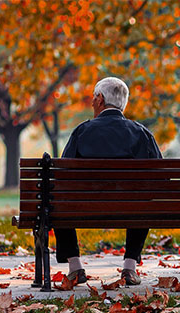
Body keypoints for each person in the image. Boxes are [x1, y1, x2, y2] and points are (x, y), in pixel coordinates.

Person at [54, 77, 162, 286]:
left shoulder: (82, 131)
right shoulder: (141, 133)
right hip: (132, 208)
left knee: (56, 202)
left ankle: (75, 267)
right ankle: (129, 267)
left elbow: (62, 177)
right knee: (143, 201)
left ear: (100, 99)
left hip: (84, 208)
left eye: (94, 98)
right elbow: (160, 178)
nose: (92, 102)